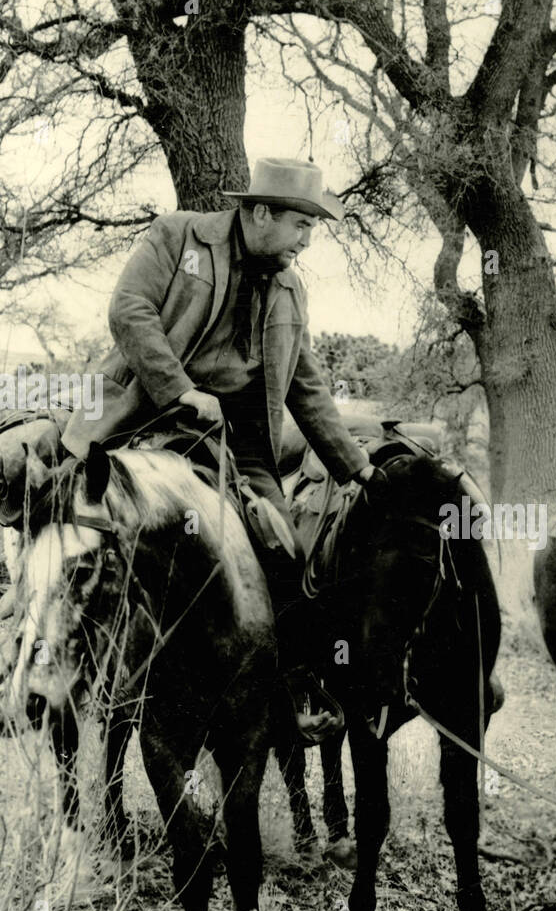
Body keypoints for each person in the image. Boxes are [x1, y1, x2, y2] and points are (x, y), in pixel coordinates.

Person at [59, 157, 385, 741]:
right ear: (261, 213)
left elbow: (306, 383)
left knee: (282, 554)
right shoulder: (178, 235)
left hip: (238, 442)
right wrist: (181, 390)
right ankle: (50, 666)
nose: (306, 242)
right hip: (144, 414)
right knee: (78, 533)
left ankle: (286, 694)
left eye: (313, 230)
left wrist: (357, 467)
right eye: (301, 226)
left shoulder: (289, 286)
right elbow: (128, 313)